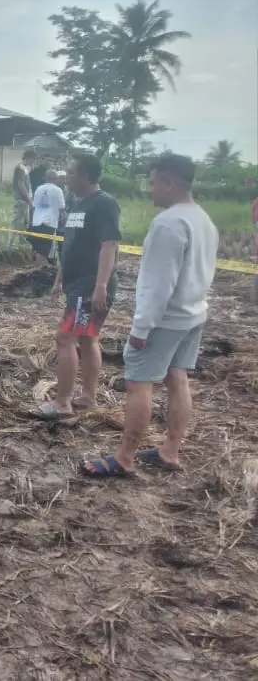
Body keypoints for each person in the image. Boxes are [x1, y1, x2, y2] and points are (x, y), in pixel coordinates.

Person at [83, 154, 219, 477]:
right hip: (193, 315)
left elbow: (159, 285)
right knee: (177, 378)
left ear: (170, 183)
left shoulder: (168, 223)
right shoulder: (203, 220)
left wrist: (141, 328)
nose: (150, 189)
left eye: (154, 182)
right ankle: (169, 451)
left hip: (165, 320)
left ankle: (125, 458)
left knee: (138, 383)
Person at [33, 153, 120, 420]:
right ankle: (87, 397)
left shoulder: (104, 204)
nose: (65, 177)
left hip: (89, 286)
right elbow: (71, 245)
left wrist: (101, 285)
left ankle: (62, 404)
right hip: (76, 283)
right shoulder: (77, 204)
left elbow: (110, 245)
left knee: (64, 338)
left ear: (85, 176)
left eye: (70, 173)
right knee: (88, 338)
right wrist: (60, 277)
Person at [28, 169, 66, 264]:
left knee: (36, 248)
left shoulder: (38, 188)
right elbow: (62, 207)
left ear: (46, 178)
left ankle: (32, 266)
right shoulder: (58, 190)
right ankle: (39, 269)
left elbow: (34, 206)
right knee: (44, 250)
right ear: (56, 179)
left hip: (36, 221)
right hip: (49, 222)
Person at [9, 149, 34, 246]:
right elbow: (21, 184)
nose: (32, 162)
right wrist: (28, 198)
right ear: (29, 158)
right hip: (21, 200)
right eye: (32, 160)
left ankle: (22, 242)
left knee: (24, 222)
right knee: (17, 222)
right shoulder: (20, 168)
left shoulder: (25, 169)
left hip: (25, 200)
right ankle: (10, 243)